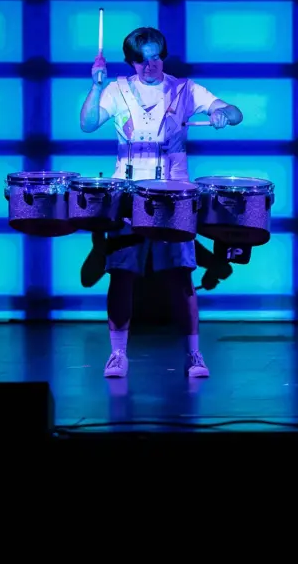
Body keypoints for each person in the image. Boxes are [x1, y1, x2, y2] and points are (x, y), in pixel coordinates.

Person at [79, 26, 243, 379]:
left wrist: (222, 115)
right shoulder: (117, 90)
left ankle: (194, 355)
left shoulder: (184, 89)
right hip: (128, 192)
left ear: (163, 55)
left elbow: (234, 111)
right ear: (130, 62)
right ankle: (118, 355)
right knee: (121, 274)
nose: (149, 65)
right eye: (141, 59)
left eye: (155, 56)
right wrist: (95, 85)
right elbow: (88, 124)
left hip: (173, 194)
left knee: (180, 276)